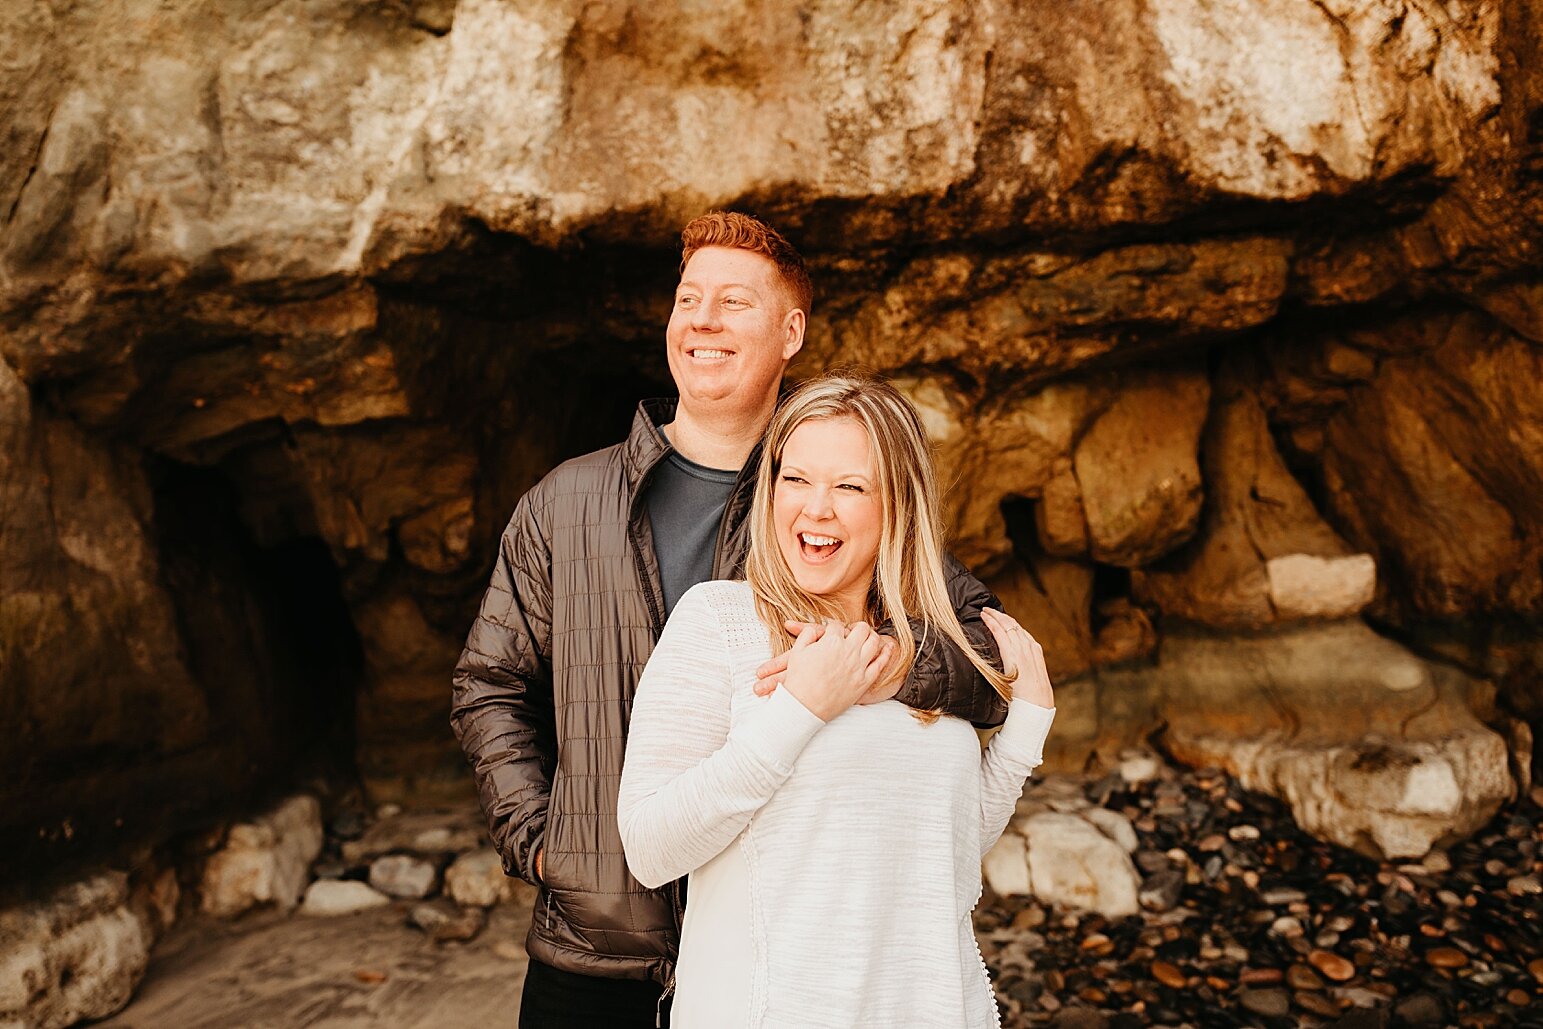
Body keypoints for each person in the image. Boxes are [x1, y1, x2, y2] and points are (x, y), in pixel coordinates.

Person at [450, 213, 1008, 1028]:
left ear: (791, 331)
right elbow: (488, 684)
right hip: (595, 949)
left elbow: (987, 653)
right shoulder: (564, 503)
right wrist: (544, 843)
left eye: (734, 302)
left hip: (774, 954)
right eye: (689, 299)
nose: (703, 319)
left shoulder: (821, 503)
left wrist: (884, 664)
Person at [617, 374, 1057, 1028]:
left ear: (897, 505)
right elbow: (650, 848)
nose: (814, 508)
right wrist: (800, 710)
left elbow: (942, 855)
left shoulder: (925, 648)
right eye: (794, 479)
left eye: (848, 486)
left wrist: (1026, 729)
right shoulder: (719, 621)